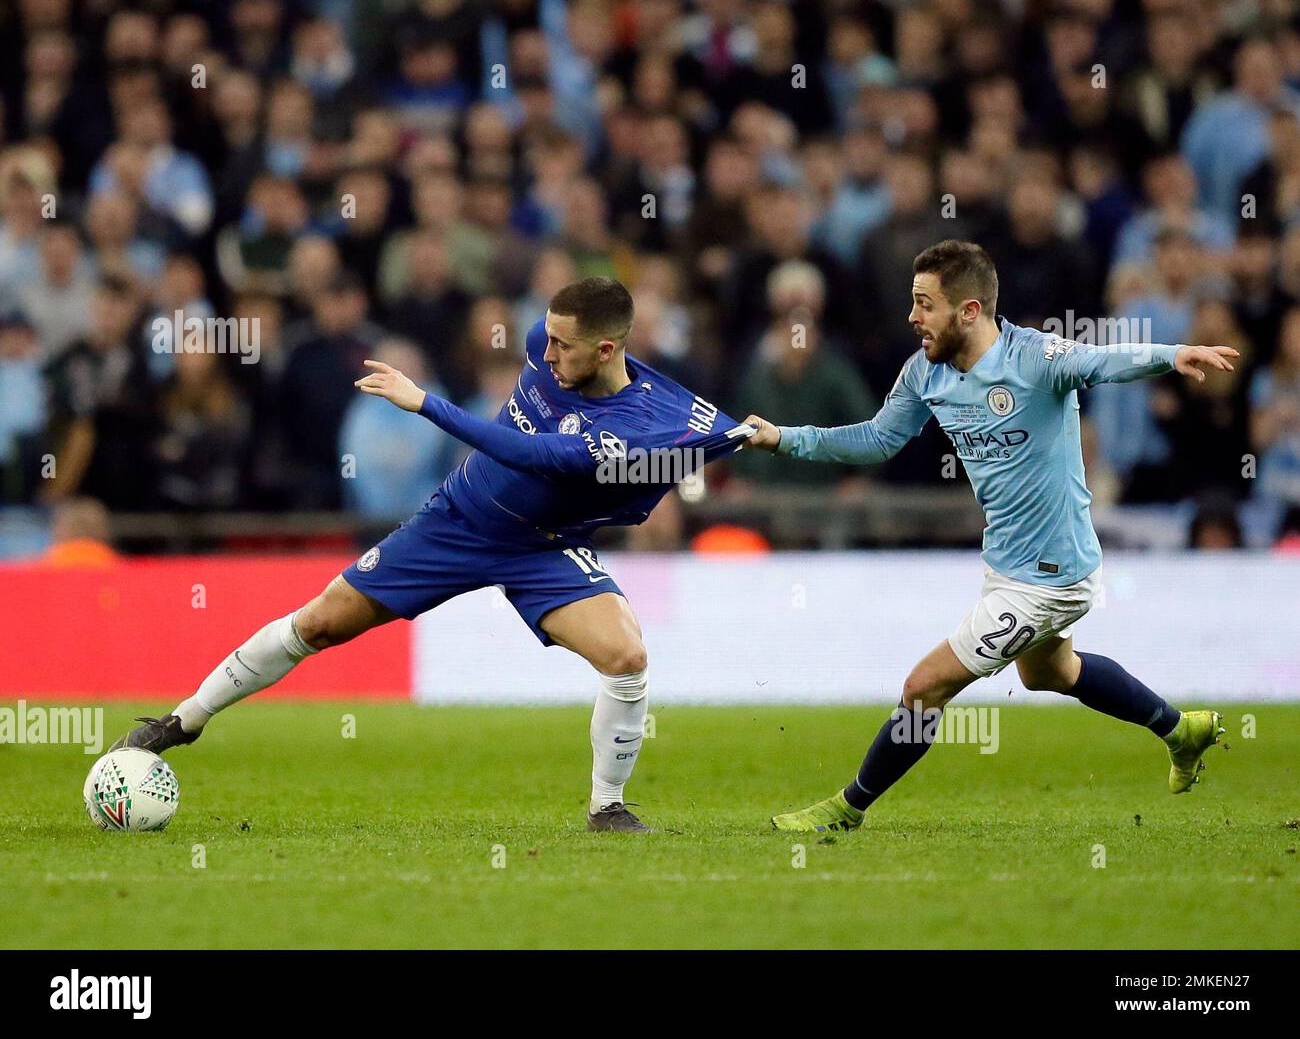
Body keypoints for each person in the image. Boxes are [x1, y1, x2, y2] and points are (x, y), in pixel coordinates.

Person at [109, 278, 752, 833]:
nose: (545, 350)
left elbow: (531, 454)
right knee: (318, 623)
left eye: (563, 344)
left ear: (606, 349)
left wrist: (425, 404)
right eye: (548, 337)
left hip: (541, 547)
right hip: (457, 521)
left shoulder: (627, 424)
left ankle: (607, 807)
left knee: (628, 655)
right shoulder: (544, 346)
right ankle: (182, 720)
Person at [742, 240, 1237, 832]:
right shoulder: (925, 371)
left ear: (969, 311)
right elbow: (877, 439)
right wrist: (783, 438)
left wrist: (1173, 353)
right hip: (1006, 564)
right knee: (1051, 673)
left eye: (925, 304)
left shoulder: (1034, 358)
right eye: (912, 302)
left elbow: (1102, 361)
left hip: (1053, 576)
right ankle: (1182, 730)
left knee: (923, 688)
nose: (912, 317)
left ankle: (846, 809)